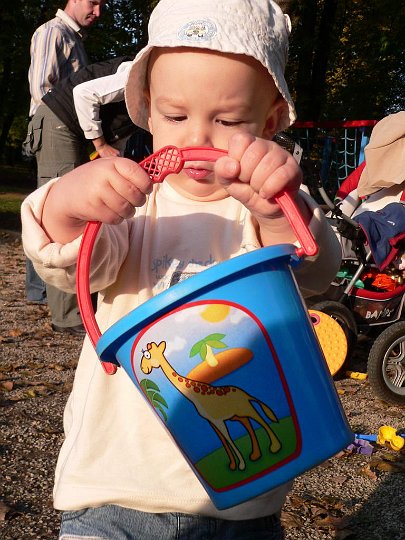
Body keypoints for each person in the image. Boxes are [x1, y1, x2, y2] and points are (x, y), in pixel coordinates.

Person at [21, 0, 342, 538]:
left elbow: (313, 271)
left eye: (228, 121)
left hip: (241, 506)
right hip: (113, 488)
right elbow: (76, 264)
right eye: (175, 116)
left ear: (269, 122)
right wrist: (66, 206)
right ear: (147, 111)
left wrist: (278, 213)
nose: (196, 140)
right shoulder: (131, 204)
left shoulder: (265, 205)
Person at [25, 0, 105, 335]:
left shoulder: (73, 38)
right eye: (93, 2)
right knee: (63, 213)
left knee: (48, 205)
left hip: (63, 125)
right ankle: (68, 315)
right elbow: (42, 88)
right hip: (57, 122)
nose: (98, 12)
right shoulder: (53, 32)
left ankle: (41, 292)